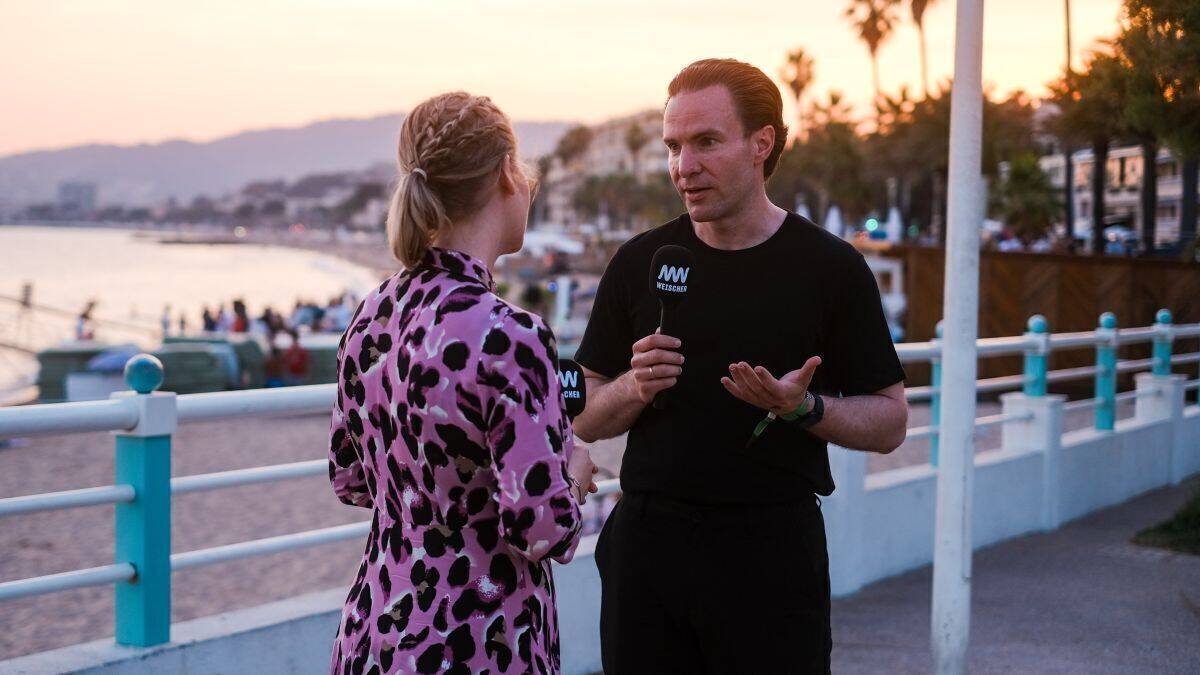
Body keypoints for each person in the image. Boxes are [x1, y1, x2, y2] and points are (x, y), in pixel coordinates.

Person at [571, 59, 909, 674]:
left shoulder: (831, 269)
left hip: (771, 550)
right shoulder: (638, 263)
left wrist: (800, 408)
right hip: (649, 548)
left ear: (763, 143)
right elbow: (586, 418)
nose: (684, 166)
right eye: (673, 146)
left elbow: (889, 423)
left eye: (706, 142)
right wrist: (635, 385)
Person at [327, 91, 598, 674]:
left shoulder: (373, 315)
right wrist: (573, 475)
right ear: (506, 172)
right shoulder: (509, 335)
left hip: (374, 633)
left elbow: (350, 479)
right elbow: (543, 529)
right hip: (477, 643)